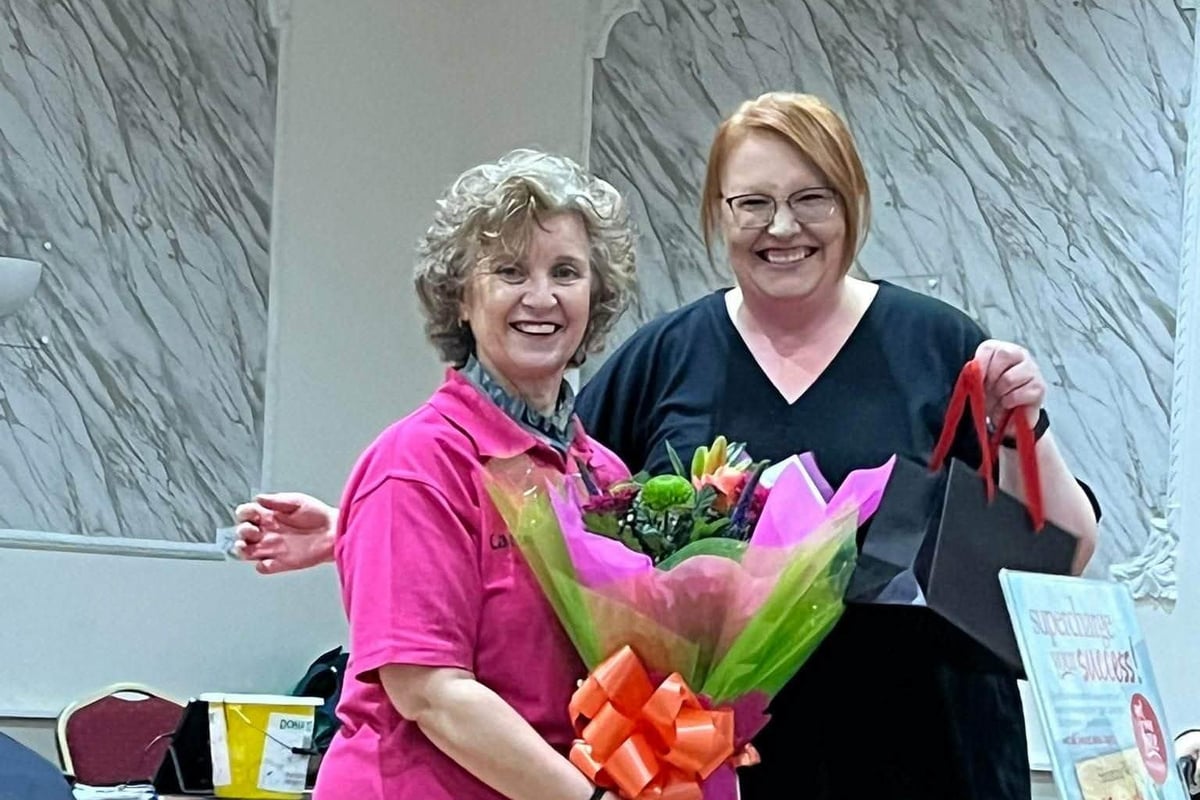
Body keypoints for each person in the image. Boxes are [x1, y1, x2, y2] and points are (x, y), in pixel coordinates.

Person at [237, 93, 1101, 799]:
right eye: (752, 202)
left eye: (812, 198)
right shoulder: (664, 357)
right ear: (717, 216)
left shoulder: (942, 345)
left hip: (928, 759)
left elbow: (1057, 551)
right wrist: (359, 526)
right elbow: (538, 525)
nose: (782, 226)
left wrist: (1025, 424)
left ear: (852, 205)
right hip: (714, 768)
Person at [290, 148, 636, 800]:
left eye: (566, 272)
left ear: (596, 297)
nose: (542, 297)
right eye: (510, 271)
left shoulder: (603, 476)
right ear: (460, 300)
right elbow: (430, 694)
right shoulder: (415, 465)